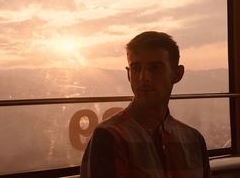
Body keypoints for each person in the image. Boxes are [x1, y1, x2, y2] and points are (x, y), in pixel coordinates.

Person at [80, 31, 211, 178]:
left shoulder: (194, 140)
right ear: (129, 75)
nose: (144, 77)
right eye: (136, 68)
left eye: (155, 68)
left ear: (177, 74)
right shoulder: (109, 137)